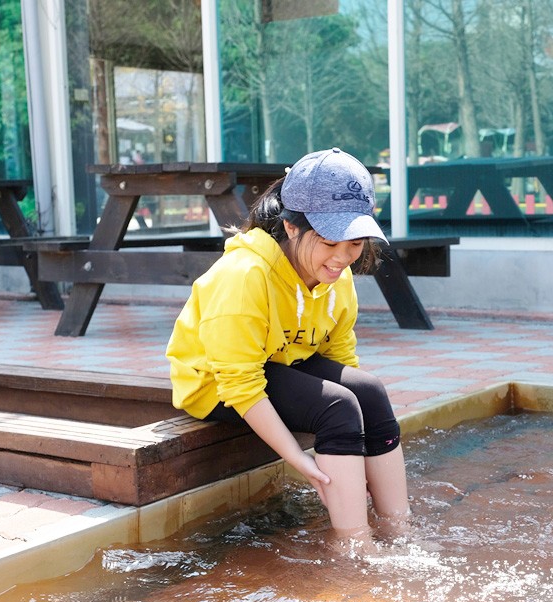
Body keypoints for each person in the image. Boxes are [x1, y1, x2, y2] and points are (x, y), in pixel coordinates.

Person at [165, 147, 411, 545]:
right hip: (215, 384)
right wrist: (299, 459)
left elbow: (340, 359)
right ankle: (355, 547)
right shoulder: (244, 276)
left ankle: (399, 530)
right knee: (338, 406)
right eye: (331, 241)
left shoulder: (335, 277)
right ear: (293, 227)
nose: (342, 258)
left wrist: (357, 445)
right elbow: (239, 382)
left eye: (354, 243)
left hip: (282, 363)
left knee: (368, 391)